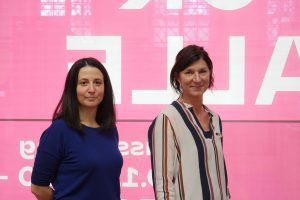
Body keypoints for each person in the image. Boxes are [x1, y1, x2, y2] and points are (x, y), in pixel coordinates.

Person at [31, 57, 123, 200]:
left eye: (97, 83)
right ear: (73, 88)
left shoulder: (109, 129)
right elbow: (38, 188)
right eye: (84, 83)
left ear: (105, 87)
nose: (92, 89)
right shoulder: (59, 131)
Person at [148, 45, 230, 200]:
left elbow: (221, 178)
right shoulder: (168, 118)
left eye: (203, 71)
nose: (197, 79)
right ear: (178, 77)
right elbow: (163, 186)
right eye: (189, 72)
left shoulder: (215, 118)